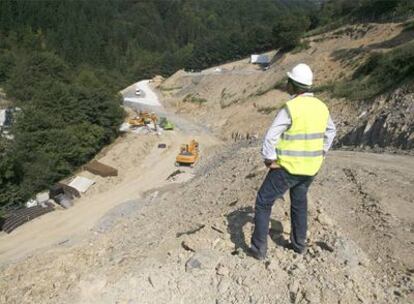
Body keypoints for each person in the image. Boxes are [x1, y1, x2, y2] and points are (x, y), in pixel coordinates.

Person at [250, 63, 336, 260]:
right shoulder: (321, 106)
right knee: (299, 203)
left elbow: (271, 135)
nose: (286, 84)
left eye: (288, 81)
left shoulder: (291, 107)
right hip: (310, 169)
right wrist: (321, 152)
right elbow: (331, 131)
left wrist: (269, 158)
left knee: (263, 202)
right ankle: (298, 245)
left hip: (287, 168)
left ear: (294, 85)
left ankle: (258, 250)